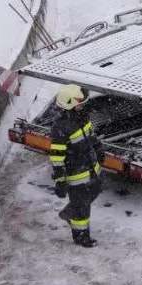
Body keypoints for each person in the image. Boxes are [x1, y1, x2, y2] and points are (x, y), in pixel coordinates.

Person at [49, 84, 104, 248]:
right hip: (76, 175)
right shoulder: (61, 128)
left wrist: (99, 150)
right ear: (70, 105)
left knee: (96, 190)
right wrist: (60, 180)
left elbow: (91, 137)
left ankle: (69, 212)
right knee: (82, 208)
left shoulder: (82, 118)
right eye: (80, 103)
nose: (83, 105)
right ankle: (81, 237)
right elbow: (57, 158)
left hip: (91, 168)